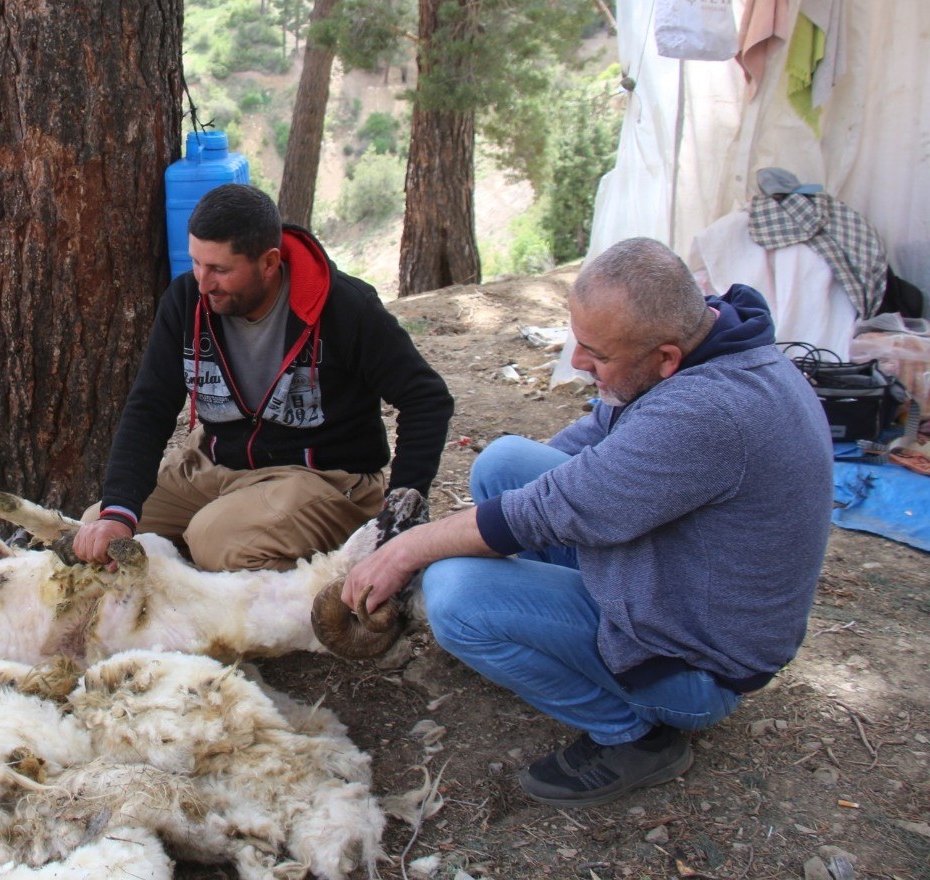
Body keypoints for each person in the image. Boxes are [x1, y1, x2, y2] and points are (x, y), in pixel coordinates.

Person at [343, 237, 833, 807]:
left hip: (697, 663)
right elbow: (592, 443)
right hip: (677, 579)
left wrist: (406, 550)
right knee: (504, 463)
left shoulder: (707, 414)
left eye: (596, 356)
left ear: (665, 358)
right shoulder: (712, 342)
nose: (577, 363)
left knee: (455, 597)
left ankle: (634, 736)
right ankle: (527, 634)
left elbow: (550, 509)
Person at [74, 183, 454, 572]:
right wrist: (118, 513)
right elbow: (149, 407)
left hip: (322, 479)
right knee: (99, 531)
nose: (203, 284)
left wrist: (400, 510)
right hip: (215, 464)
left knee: (216, 542)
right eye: (196, 263)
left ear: (269, 263)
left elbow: (426, 398)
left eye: (220, 269)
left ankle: (321, 592)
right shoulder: (186, 300)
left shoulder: (345, 307)